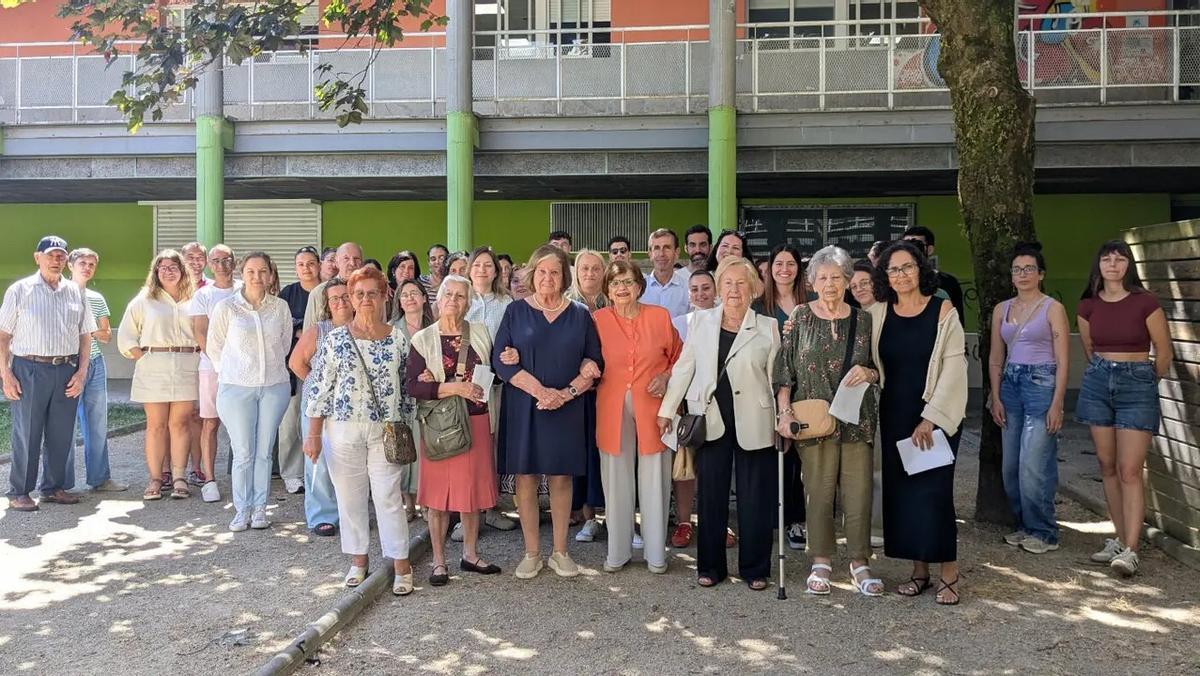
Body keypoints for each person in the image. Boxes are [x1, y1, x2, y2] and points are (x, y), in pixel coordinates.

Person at [657, 258, 779, 590]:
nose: (735, 290)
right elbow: (685, 368)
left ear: (754, 288)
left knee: (755, 498)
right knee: (710, 497)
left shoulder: (768, 327)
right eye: (728, 283)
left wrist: (783, 420)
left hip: (757, 419)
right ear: (719, 287)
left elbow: (776, 379)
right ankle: (710, 566)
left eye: (742, 283)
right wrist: (667, 410)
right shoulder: (701, 322)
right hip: (710, 420)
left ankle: (755, 569)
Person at [774, 246, 882, 597]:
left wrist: (868, 371)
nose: (830, 284)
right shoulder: (800, 317)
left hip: (856, 419)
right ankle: (821, 559)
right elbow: (784, 369)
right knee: (817, 492)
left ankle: (859, 561)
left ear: (848, 280)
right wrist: (785, 412)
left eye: (837, 277)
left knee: (858, 492)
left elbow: (879, 369)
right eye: (823, 277)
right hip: (816, 420)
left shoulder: (864, 319)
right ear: (812, 282)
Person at [492, 244, 602, 579]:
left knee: (561, 476)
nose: (548, 278)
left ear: (564, 276)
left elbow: (595, 362)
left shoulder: (580, 314)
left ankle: (560, 551)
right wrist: (542, 392)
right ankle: (531, 552)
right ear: (532, 274)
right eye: (542, 271)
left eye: (555, 272)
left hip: (567, 408)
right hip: (526, 405)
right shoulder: (515, 312)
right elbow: (501, 360)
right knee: (526, 476)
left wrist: (565, 394)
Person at [305, 265, 416, 596]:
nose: (365, 299)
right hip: (342, 428)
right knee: (350, 498)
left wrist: (407, 425)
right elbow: (320, 388)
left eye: (372, 293)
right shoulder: (337, 338)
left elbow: (407, 387)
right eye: (359, 294)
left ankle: (401, 563)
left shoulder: (398, 338)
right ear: (350, 299)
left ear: (384, 296)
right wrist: (312, 434)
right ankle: (358, 560)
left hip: (386, 430)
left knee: (388, 496)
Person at [869, 240, 968, 605]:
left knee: (934, 494)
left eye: (907, 267)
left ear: (920, 269)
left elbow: (955, 370)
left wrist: (930, 418)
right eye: (893, 269)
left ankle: (949, 573)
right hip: (894, 413)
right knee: (903, 496)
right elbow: (871, 361)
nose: (900, 275)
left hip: (934, 416)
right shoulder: (880, 311)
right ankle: (919, 572)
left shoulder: (943, 311)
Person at [1076, 240, 1172, 577]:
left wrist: (1144, 379)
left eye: (1120, 259)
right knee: (1107, 465)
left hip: (1137, 383)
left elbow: (1163, 351)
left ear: (1128, 266)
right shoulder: (1087, 304)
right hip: (1099, 382)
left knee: (1130, 469)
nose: (1113, 265)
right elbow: (1089, 347)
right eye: (1107, 259)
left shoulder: (1145, 302)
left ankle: (1131, 550)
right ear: (1098, 266)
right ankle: (1119, 538)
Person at [409, 275, 503, 585]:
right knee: (437, 498)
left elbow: (495, 374)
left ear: (469, 302)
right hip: (440, 425)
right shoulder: (422, 339)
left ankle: (470, 554)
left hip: (476, 420)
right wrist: (454, 388)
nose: (453, 300)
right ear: (437, 300)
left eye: (460, 296)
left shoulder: (480, 333)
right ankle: (438, 561)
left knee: (471, 494)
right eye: (448, 294)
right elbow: (414, 386)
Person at [593, 261, 682, 573]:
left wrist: (668, 376)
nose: (622, 288)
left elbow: (681, 357)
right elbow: (586, 358)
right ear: (607, 289)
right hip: (611, 404)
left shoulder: (659, 317)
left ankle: (656, 553)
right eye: (616, 282)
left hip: (653, 406)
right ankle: (618, 551)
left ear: (639, 286)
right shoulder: (597, 320)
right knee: (615, 476)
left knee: (655, 475)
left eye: (629, 282)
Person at [0, 236, 97, 511]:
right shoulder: (20, 290)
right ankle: (19, 491)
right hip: (28, 368)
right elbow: (3, 336)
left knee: (61, 433)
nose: (56, 260)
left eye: (61, 256)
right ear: (37, 257)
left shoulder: (74, 291)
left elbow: (85, 336)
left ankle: (53, 487)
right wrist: (5, 374)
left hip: (66, 368)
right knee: (27, 432)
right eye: (51, 255)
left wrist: (81, 372)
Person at [988, 242, 1071, 555]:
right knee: (1011, 465)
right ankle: (1024, 525)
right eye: (1017, 269)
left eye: (1029, 269)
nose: (1023, 274)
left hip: (1042, 384)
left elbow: (1064, 360)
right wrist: (995, 396)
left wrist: (1058, 403)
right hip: (1010, 386)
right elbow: (996, 358)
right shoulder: (1002, 309)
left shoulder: (1053, 308)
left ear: (1041, 274)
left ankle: (1044, 530)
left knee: (1033, 463)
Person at [208, 252, 293, 531]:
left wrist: (265, 370)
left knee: (264, 451)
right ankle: (241, 509)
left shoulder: (280, 307)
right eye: (251, 271)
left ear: (270, 274)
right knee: (243, 451)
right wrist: (232, 373)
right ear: (242, 274)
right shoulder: (227, 307)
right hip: (236, 388)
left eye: (263, 271)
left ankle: (260, 509)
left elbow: (284, 344)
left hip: (273, 386)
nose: (257, 277)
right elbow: (215, 347)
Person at [117, 249, 198, 502]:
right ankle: (154, 478)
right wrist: (141, 356)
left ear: (182, 270)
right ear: (155, 272)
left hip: (187, 363)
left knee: (181, 423)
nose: (168, 271)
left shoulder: (194, 299)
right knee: (156, 425)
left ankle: (179, 477)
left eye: (173, 266)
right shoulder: (144, 299)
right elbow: (127, 335)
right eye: (162, 267)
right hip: (154, 365)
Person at [752, 243, 808, 551]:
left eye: (790, 264)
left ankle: (797, 519)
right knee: (776, 456)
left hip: (809, 390)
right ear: (770, 269)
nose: (784, 269)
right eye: (778, 264)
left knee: (802, 458)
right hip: (768, 387)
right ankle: (775, 517)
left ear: (798, 269)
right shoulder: (759, 305)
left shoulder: (812, 301)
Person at [460, 247, 519, 536]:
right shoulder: (461, 300)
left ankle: (491, 506)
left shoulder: (507, 303)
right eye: (477, 265)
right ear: (469, 269)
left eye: (488, 265)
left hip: (496, 384)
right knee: (466, 444)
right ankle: (465, 511)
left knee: (492, 445)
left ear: (496, 271)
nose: (482, 270)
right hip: (465, 385)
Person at [288, 280, 351, 537]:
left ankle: (349, 514)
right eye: (334, 298)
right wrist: (318, 385)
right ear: (327, 303)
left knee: (349, 462)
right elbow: (296, 363)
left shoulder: (362, 329)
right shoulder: (318, 331)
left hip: (351, 408)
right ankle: (322, 515)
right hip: (319, 409)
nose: (340, 302)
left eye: (345, 296)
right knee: (319, 461)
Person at [65, 247, 125, 492]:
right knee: (63, 425)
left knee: (97, 423)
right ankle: (60, 482)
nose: (87, 267)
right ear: (70, 265)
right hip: (66, 364)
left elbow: (106, 335)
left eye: (92, 264)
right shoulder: (60, 294)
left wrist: (84, 331)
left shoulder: (97, 298)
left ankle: (100, 478)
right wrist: (91, 332)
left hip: (95, 365)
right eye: (83, 263)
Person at [188, 244, 241, 501]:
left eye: (226, 259)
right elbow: (200, 331)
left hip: (244, 370)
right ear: (209, 264)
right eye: (216, 260)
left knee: (243, 424)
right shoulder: (203, 295)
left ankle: (244, 477)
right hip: (212, 367)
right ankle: (209, 479)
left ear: (235, 261)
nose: (221, 265)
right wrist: (219, 360)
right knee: (210, 422)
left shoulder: (245, 289)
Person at [563, 248, 608, 542]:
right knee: (583, 453)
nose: (589, 274)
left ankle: (619, 516)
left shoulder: (614, 300)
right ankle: (588, 516)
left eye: (595, 269)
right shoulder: (567, 306)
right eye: (584, 269)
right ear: (576, 273)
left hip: (610, 388)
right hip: (577, 391)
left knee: (610, 452)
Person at [276, 246, 322, 495]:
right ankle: (292, 473)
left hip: (324, 368)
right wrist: (299, 331)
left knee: (319, 423)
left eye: (311, 263)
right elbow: (281, 328)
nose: (306, 268)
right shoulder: (288, 294)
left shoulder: (327, 290)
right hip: (294, 368)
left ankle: (316, 472)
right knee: (291, 423)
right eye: (301, 264)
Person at [393, 278, 434, 521]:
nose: (409, 298)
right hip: (400, 399)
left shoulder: (435, 327)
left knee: (426, 449)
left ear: (424, 298)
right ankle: (407, 502)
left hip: (427, 400)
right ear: (399, 301)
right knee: (403, 449)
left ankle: (426, 501)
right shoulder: (390, 328)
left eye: (414, 293)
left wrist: (434, 372)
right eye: (404, 294)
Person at [903, 226, 965, 327]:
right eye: (905, 245)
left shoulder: (948, 282)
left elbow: (957, 322)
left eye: (917, 245)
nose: (911, 250)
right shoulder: (895, 279)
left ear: (930, 249)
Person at [304, 242, 364, 330]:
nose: (352, 263)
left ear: (362, 263)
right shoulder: (319, 292)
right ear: (336, 262)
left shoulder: (370, 291)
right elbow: (309, 332)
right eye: (346, 258)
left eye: (356, 258)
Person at [641, 228, 691, 318]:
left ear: (676, 252)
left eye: (667, 248)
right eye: (656, 248)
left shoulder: (688, 288)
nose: (661, 254)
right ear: (650, 254)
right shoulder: (639, 288)